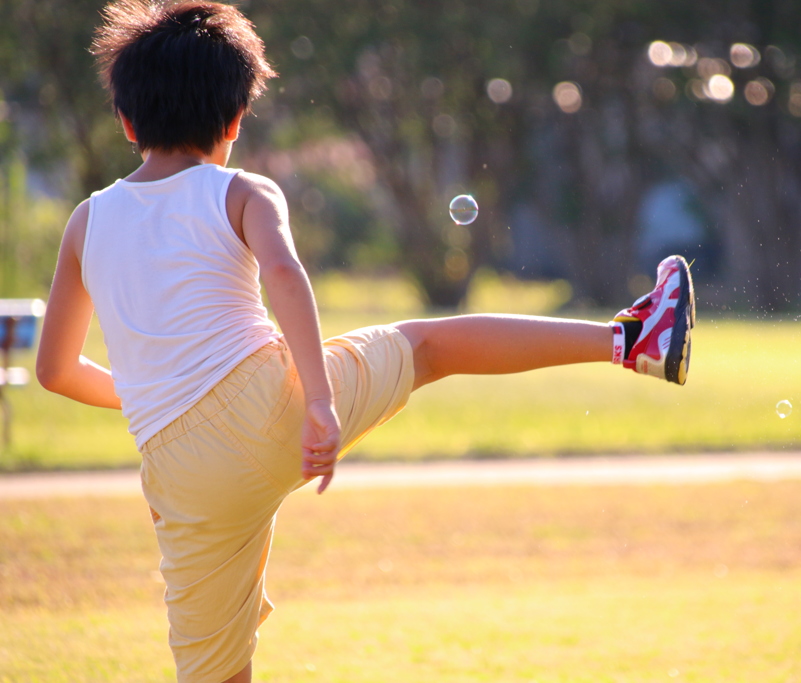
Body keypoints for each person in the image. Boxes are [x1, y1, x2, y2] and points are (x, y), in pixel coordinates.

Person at [34, 2, 695, 681]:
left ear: (126, 120)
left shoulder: (86, 221)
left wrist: (158, 399)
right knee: (430, 347)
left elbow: (54, 370)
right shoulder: (241, 191)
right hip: (274, 409)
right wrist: (318, 400)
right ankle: (632, 339)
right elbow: (286, 275)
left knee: (216, 673)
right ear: (235, 119)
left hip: (177, 473)